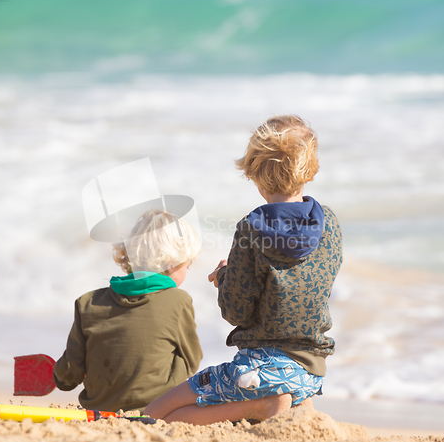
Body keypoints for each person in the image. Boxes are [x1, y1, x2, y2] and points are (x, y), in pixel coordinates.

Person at [145, 115, 343, 425]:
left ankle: (265, 407)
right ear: (310, 168)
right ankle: (292, 403)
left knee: (159, 412)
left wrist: (225, 276)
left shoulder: (252, 228)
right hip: (312, 373)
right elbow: (310, 279)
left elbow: (236, 311)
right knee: (260, 389)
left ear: (254, 172)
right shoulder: (329, 223)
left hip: (259, 371)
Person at [53, 209, 203, 413]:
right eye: (187, 267)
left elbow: (68, 379)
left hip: (97, 410)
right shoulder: (179, 300)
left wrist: (60, 373)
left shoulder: (87, 303)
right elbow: (192, 361)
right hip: (154, 410)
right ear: (171, 264)